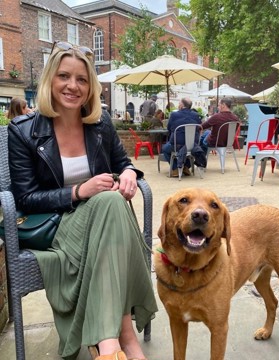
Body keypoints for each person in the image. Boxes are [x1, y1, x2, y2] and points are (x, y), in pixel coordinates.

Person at [7, 41, 157, 360]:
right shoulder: (22, 131)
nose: (73, 86)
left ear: (91, 87)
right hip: (54, 224)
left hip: (103, 222)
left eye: (82, 79)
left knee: (112, 203)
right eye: (64, 76)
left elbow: (122, 162)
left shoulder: (99, 125)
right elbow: (25, 198)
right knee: (110, 204)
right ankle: (124, 337)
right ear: (50, 79)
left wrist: (129, 173)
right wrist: (79, 191)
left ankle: (110, 344)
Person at [161, 97, 202, 177]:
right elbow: (198, 128)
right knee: (189, 150)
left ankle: (176, 168)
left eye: (179, 103)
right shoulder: (196, 115)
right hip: (192, 145)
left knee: (165, 149)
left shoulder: (174, 115)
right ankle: (186, 167)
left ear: (181, 105)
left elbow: (169, 128)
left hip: (177, 145)